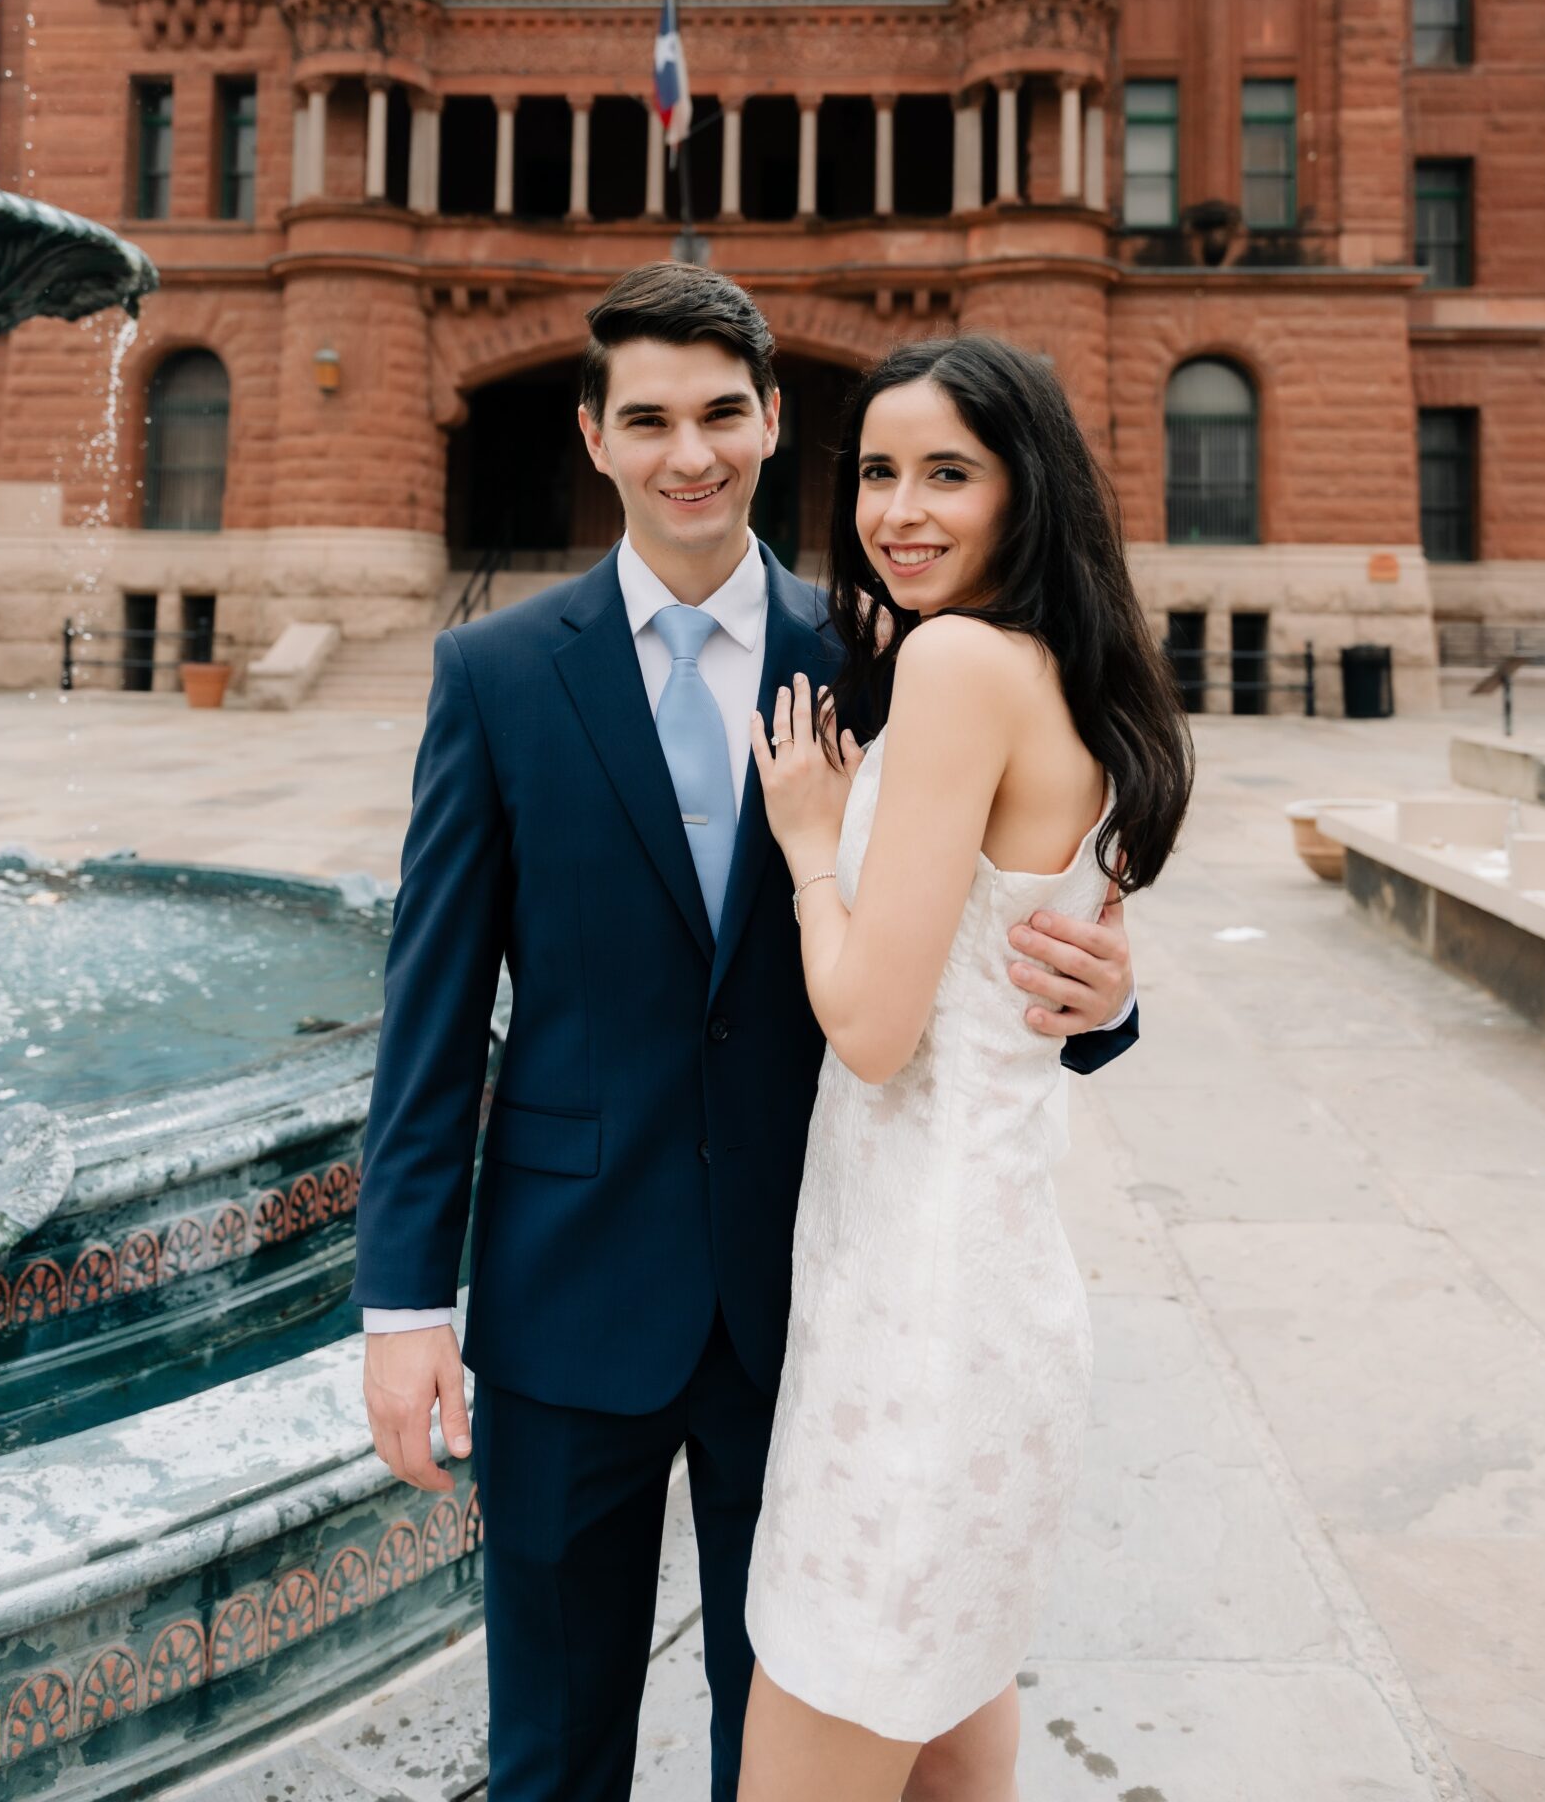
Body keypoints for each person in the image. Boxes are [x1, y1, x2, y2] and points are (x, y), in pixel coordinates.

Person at [354, 266, 1144, 1802]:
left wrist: (1108, 996)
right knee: (550, 1750)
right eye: (648, 419)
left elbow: (1005, 908)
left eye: (723, 413)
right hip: (565, 1296)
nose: (689, 453)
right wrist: (404, 1309)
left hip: (810, 1302)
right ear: (594, 439)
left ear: (778, 423)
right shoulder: (496, 676)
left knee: (780, 1740)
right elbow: (433, 1008)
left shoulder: (881, 653)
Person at [738, 334, 1193, 1802]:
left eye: (950, 472)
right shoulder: (1061, 676)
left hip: (914, 1331)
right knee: (949, 1760)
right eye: (877, 471)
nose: (901, 509)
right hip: (978, 1296)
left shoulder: (949, 662)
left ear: (1028, 489)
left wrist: (817, 851)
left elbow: (873, 1032)